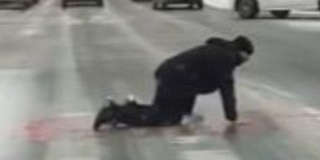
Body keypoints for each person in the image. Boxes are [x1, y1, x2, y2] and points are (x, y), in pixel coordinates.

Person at [93, 36, 254, 130]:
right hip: (174, 78)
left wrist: (187, 111)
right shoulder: (225, 58)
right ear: (241, 52)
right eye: (247, 57)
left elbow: (198, 79)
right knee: (161, 119)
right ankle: (114, 113)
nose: (246, 61)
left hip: (178, 77)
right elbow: (226, 87)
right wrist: (232, 116)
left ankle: (131, 107)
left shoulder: (219, 52)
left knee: (173, 118)